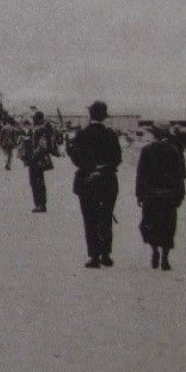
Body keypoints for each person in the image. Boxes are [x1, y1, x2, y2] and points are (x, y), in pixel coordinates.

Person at [67, 101, 122, 267]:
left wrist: (88, 168)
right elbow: (117, 159)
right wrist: (102, 169)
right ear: (105, 116)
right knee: (106, 216)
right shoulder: (111, 135)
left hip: (87, 181)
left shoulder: (82, 134)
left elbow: (75, 158)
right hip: (107, 181)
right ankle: (106, 254)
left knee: (89, 218)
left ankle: (94, 256)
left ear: (90, 115)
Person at [135, 124, 186, 271]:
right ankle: (165, 256)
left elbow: (141, 174)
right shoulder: (174, 150)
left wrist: (139, 194)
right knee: (168, 226)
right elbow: (181, 175)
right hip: (169, 196)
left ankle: (154, 250)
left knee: (150, 224)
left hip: (151, 196)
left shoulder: (147, 150)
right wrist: (180, 195)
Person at [20, 111, 58, 212]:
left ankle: (40, 205)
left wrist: (33, 157)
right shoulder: (39, 130)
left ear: (37, 119)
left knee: (36, 182)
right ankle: (40, 204)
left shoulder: (40, 130)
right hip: (35, 160)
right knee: (37, 182)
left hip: (36, 160)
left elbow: (42, 146)